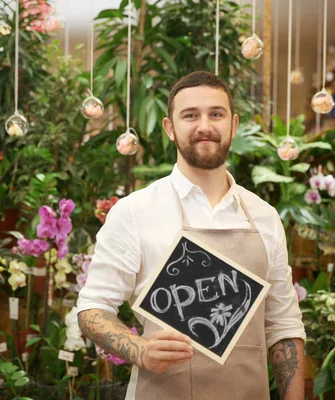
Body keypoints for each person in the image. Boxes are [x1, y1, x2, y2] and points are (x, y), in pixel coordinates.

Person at [77, 71, 306, 400]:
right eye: (190, 115)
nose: (205, 126)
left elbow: (284, 327)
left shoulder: (265, 217)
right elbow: (93, 309)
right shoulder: (134, 212)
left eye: (216, 114)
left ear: (234, 125)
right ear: (170, 128)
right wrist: (140, 349)